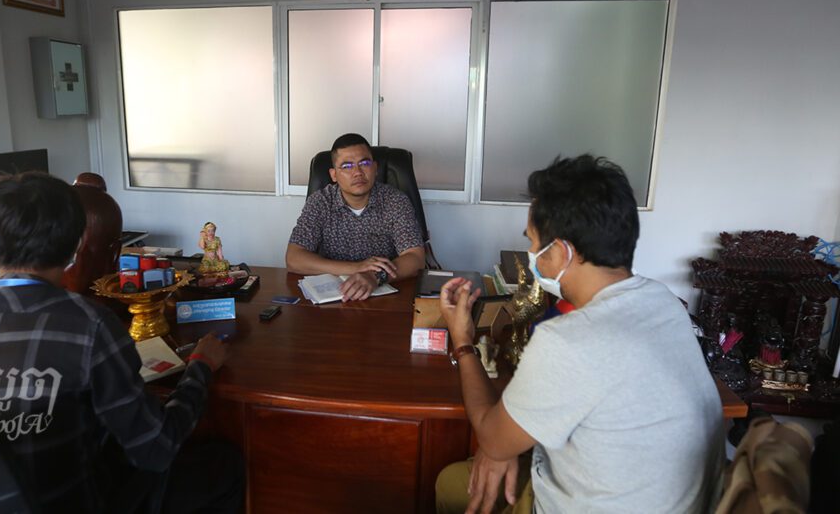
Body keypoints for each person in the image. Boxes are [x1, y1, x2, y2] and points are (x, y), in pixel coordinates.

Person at [0, 171, 242, 513]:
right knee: (224, 463)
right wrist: (200, 368)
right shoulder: (90, 326)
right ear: (76, 246)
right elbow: (155, 450)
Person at [436, 155, 724, 514]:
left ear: (560, 252)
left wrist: (463, 341)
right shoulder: (663, 302)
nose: (530, 254)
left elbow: (492, 439)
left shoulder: (568, 340)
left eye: (533, 243)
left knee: (450, 483)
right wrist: (507, 444)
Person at [286, 132, 425, 301]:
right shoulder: (320, 202)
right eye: (347, 166)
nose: (357, 172)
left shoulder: (395, 201)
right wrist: (357, 268)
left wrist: (376, 276)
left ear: (375, 168)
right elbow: (294, 258)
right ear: (334, 175)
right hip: (334, 297)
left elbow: (416, 258)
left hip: (385, 295)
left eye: (364, 163)